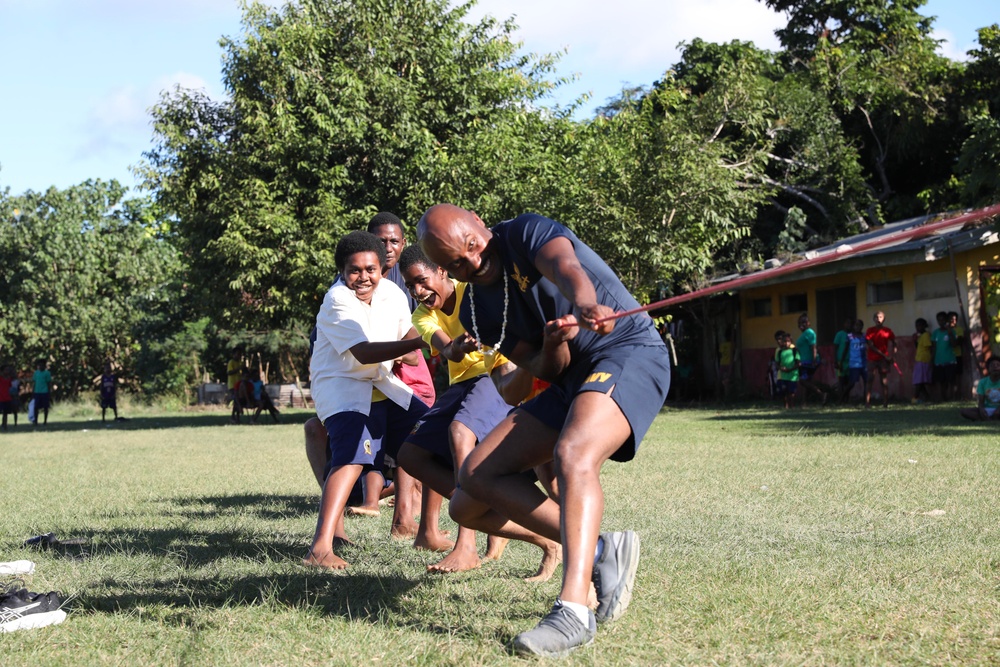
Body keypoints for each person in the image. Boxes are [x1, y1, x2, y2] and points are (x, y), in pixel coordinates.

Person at [418, 204, 671, 657]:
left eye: (472, 247)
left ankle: (574, 609)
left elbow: (565, 265)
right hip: (571, 379)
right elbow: (537, 374)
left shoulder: (525, 232)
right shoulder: (478, 310)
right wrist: (552, 345)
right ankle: (598, 550)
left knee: (573, 454)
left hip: (626, 348)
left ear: (479, 222)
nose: (473, 263)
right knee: (472, 487)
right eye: (457, 263)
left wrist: (588, 303)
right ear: (445, 268)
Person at [394, 245, 561, 576]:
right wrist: (457, 345)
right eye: (411, 285)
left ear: (442, 271)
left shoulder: (472, 291)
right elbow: (448, 350)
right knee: (411, 455)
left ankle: (465, 545)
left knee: (461, 431)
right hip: (462, 385)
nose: (418, 291)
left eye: (422, 281)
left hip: (495, 378)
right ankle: (518, 521)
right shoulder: (421, 315)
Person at [303, 211, 439, 543]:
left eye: (371, 270)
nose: (364, 277)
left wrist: (442, 337)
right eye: (354, 271)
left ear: (382, 269)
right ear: (342, 271)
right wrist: (421, 341)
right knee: (350, 458)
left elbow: (409, 339)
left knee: (433, 434)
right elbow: (363, 352)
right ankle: (322, 545)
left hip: (383, 385)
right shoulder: (337, 300)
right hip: (342, 388)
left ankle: (424, 531)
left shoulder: (393, 294)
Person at [865, 311, 896, 408]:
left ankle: (885, 403)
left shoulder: (888, 331)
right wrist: (884, 355)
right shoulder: (870, 330)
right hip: (872, 359)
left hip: (884, 360)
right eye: (876, 317)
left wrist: (893, 355)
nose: (878, 319)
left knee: (884, 381)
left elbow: (894, 343)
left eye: (880, 317)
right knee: (870, 379)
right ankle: (867, 403)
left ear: (884, 319)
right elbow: (871, 346)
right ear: (873, 319)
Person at [794, 313, 827, 406]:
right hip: (805, 360)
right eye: (799, 322)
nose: (801, 324)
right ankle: (804, 403)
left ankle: (821, 394)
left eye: (804, 322)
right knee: (807, 382)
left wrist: (814, 360)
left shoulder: (809, 332)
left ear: (809, 323)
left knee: (802, 381)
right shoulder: (804, 334)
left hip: (809, 361)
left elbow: (813, 347)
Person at [959, 357, 1000, 421]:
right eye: (992, 365)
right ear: (988, 369)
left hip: (999, 409)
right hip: (988, 409)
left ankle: (988, 418)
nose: (995, 367)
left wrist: (998, 410)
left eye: (998, 365)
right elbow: (981, 401)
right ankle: (990, 418)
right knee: (964, 411)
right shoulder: (983, 382)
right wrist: (981, 410)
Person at [931, 311, 958, 402]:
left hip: (950, 360)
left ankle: (953, 398)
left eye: (943, 320)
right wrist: (932, 360)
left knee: (951, 380)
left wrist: (949, 332)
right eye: (939, 320)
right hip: (938, 361)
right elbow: (934, 347)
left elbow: (954, 344)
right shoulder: (935, 333)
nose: (941, 322)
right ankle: (943, 399)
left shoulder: (952, 331)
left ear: (946, 320)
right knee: (941, 381)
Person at [774, 330, 800, 410]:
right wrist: (781, 368)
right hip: (783, 375)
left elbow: (798, 363)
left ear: (791, 341)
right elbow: (777, 363)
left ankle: (792, 406)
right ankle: (786, 406)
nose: (786, 343)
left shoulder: (794, 350)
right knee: (784, 391)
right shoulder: (779, 351)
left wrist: (790, 369)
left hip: (792, 376)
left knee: (792, 392)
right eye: (784, 341)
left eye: (788, 341)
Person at [844, 319, 868, 403]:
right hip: (854, 363)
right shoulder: (849, 336)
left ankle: (866, 401)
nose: (858, 327)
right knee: (852, 383)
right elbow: (845, 349)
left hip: (864, 363)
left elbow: (869, 346)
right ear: (853, 326)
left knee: (867, 381)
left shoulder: (865, 336)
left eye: (860, 325)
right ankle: (841, 399)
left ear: (862, 327)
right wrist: (841, 361)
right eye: (856, 325)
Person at [911, 318, 932, 404]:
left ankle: (915, 397)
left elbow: (929, 347)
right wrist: (915, 340)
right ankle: (926, 397)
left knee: (919, 380)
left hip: (923, 359)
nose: (917, 327)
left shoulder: (926, 335)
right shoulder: (920, 336)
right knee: (920, 380)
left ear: (924, 326)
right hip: (919, 359)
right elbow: (918, 347)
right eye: (916, 326)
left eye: (920, 325)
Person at [832, 317, 852, 402]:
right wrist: (836, 360)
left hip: (850, 361)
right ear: (844, 324)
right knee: (841, 381)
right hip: (841, 361)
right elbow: (835, 348)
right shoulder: (839, 334)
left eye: (850, 323)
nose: (848, 325)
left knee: (848, 381)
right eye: (847, 323)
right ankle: (840, 399)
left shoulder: (852, 334)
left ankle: (846, 399)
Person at [948, 311, 965, 398]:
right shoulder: (944, 330)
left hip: (957, 355)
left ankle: (956, 395)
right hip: (947, 356)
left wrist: (951, 334)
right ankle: (949, 396)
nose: (953, 321)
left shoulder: (959, 330)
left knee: (957, 377)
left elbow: (957, 343)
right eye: (951, 319)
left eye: (955, 319)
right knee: (949, 377)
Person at [31, 359, 52, 426]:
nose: (40, 366)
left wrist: (49, 392)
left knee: (45, 407)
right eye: (39, 365)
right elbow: (34, 383)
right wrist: (33, 391)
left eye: (42, 365)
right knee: (36, 407)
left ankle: (45, 421)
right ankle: (35, 421)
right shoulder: (36, 373)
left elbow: (49, 383)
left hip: (45, 392)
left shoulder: (47, 373)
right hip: (37, 392)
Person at [0, 364, 15, 431]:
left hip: (7, 398)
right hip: (0, 397)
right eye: (6, 370)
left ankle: (4, 424)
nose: (7, 371)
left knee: (5, 413)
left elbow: (10, 388)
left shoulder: (9, 379)